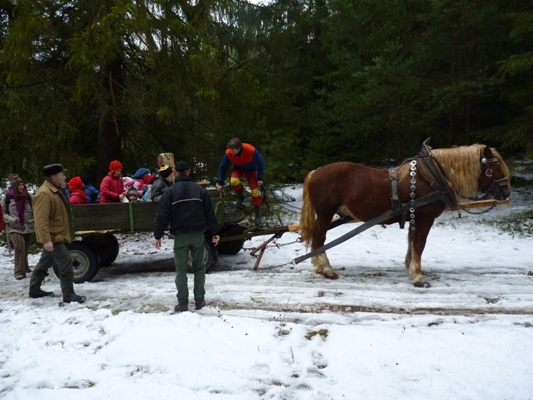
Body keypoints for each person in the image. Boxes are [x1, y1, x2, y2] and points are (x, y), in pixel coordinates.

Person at [154, 161, 220, 313]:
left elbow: (162, 215)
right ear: (189, 172)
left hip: (181, 236)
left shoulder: (170, 192)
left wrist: (158, 235)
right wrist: (215, 233)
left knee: (181, 271)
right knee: (199, 269)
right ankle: (199, 301)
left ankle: (182, 303)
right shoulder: (200, 190)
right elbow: (210, 213)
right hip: (198, 235)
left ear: (175, 172)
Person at [29, 164, 87, 303]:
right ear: (53, 177)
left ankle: (34, 290)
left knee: (44, 263)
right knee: (66, 261)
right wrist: (46, 240)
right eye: (62, 175)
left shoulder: (55, 190)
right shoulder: (44, 193)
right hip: (53, 237)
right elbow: (40, 219)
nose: (65, 177)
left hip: (56, 234)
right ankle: (68, 295)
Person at [217, 137, 265, 226]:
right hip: (238, 169)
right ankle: (241, 196)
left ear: (238, 148)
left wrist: (260, 177)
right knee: (234, 181)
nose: (230, 151)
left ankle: (258, 217)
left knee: (255, 192)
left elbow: (261, 162)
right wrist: (220, 182)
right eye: (229, 149)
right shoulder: (228, 152)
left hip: (252, 170)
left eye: (232, 150)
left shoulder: (250, 149)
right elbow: (223, 166)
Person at [3, 177, 35, 280]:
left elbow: (37, 207)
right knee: (19, 247)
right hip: (14, 227)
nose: (21, 187)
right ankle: (18, 271)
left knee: (25, 247)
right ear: (14, 187)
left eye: (22, 185)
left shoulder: (29, 196)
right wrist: (12, 220)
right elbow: (2, 213)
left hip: (28, 225)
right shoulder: (7, 198)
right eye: (19, 185)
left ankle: (25, 267)